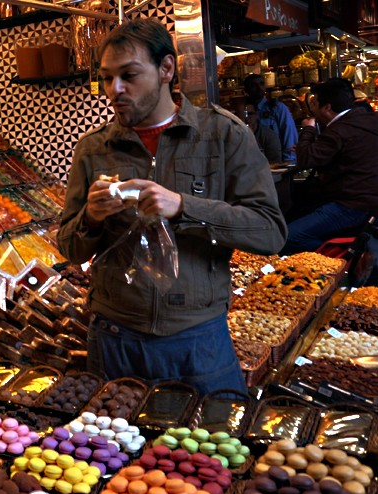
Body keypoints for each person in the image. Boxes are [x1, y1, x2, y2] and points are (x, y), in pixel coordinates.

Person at [56, 18, 287, 396]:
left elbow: (270, 231)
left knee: (213, 447)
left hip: (196, 337)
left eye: (129, 75)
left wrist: (184, 206)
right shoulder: (93, 148)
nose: (115, 90)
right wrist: (91, 218)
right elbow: (69, 246)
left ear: (166, 69)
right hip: (114, 337)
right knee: (111, 450)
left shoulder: (222, 134)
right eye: (106, 77)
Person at [282, 78, 378, 255]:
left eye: (315, 104)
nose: (314, 110)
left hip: (352, 205)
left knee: (287, 237)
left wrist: (308, 129)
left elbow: (305, 160)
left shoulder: (338, 130)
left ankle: (344, 258)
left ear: (326, 107)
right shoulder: (369, 119)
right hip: (369, 201)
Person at [244, 73, 298, 164]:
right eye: (254, 85)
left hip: (276, 161)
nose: (259, 87)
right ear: (246, 90)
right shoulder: (244, 110)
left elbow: (288, 134)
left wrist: (289, 161)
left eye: (261, 84)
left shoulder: (276, 107)